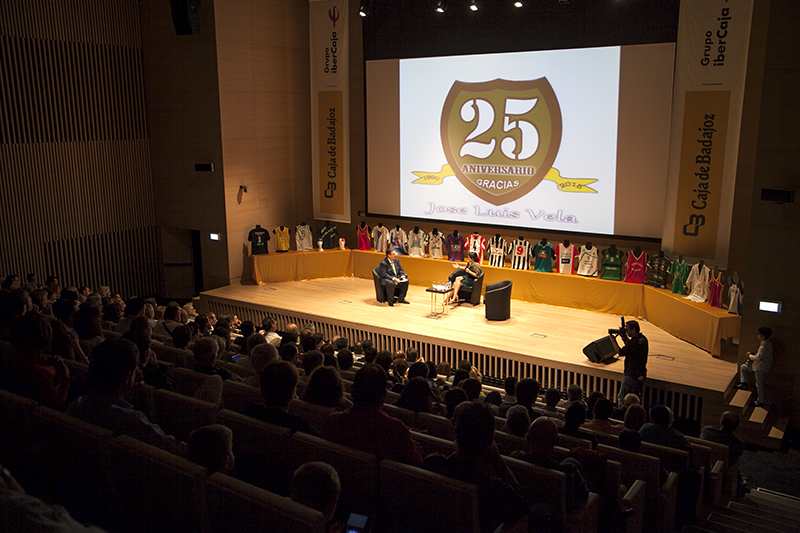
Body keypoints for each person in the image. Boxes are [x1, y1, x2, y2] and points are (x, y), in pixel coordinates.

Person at [322, 364, 422, 465]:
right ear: (384, 396)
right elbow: (417, 467)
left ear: (351, 391)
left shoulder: (332, 421)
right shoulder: (396, 431)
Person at [614, 319, 648, 407]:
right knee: (634, 399)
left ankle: (621, 415)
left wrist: (611, 339)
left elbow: (621, 352)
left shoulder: (634, 342)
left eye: (627, 329)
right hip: (641, 374)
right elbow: (630, 347)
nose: (626, 331)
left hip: (631, 375)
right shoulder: (643, 339)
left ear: (633, 330)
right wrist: (624, 337)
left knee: (622, 398)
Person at [737, 326, 773, 407]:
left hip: (760, 367)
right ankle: (744, 383)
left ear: (763, 336)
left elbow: (757, 358)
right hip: (760, 366)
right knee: (743, 367)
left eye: (759, 334)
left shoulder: (763, 347)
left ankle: (760, 401)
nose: (758, 335)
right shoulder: (768, 343)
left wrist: (749, 355)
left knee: (759, 384)